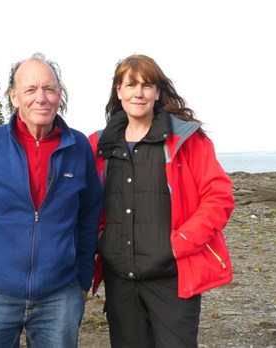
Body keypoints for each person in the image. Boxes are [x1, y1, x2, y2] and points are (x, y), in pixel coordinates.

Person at [0, 52, 103, 348]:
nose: (42, 98)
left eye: (49, 89)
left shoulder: (79, 149)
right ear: (13, 97)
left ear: (60, 95)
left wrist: (82, 281)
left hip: (59, 296)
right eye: (30, 89)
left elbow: (89, 218)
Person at [88, 54, 235, 348]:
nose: (138, 93)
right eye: (130, 85)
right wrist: (101, 240)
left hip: (172, 278)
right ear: (119, 91)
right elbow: (84, 202)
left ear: (157, 91)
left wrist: (179, 243)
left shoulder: (187, 140)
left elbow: (219, 197)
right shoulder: (98, 144)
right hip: (121, 282)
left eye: (146, 85)